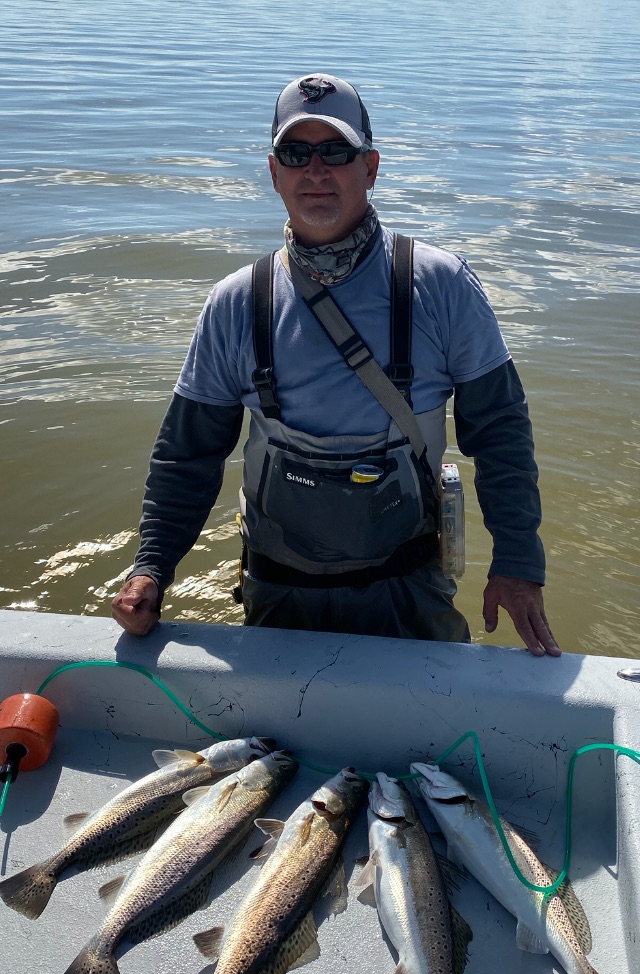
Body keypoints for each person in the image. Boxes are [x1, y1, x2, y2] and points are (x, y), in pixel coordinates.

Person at [112, 72, 560, 658]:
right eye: (296, 153)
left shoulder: (442, 285)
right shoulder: (235, 301)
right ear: (274, 173)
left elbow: (500, 431)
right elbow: (186, 455)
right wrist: (152, 567)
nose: (316, 171)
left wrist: (518, 563)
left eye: (336, 152)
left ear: (370, 167)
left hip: (409, 586)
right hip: (277, 588)